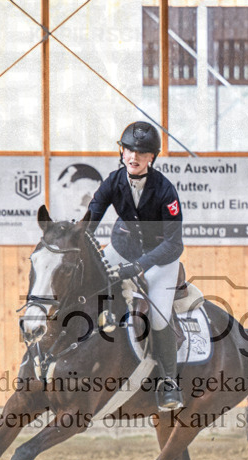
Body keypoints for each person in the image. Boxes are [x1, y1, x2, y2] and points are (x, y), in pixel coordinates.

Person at [88, 121, 184, 411]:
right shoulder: (112, 182)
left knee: (157, 316)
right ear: (121, 151)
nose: (133, 157)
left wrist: (140, 266)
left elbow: (173, 243)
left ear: (152, 158)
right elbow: (89, 222)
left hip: (159, 259)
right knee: (88, 285)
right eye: (129, 150)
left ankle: (169, 381)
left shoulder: (166, 191)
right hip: (121, 248)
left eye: (141, 153)